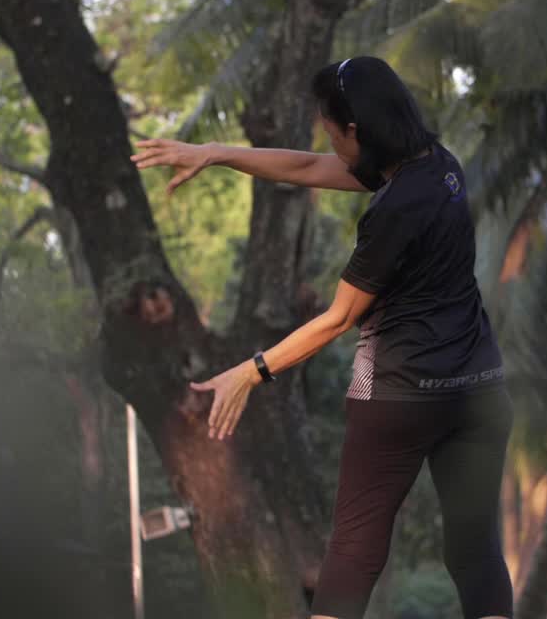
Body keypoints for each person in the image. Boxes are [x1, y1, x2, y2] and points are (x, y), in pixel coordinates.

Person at [131, 56, 513, 619]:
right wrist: (215, 153)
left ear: (356, 129)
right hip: (478, 391)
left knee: (353, 556)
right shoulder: (436, 166)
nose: (327, 142)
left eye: (332, 130)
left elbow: (337, 319)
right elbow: (308, 168)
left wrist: (250, 371)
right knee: (475, 554)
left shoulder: (393, 210)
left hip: (396, 395)